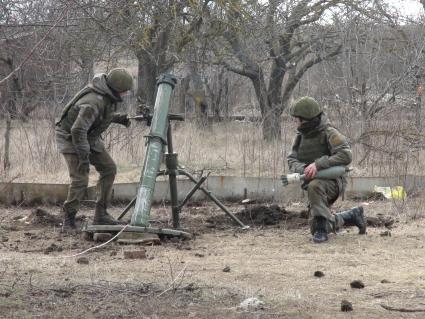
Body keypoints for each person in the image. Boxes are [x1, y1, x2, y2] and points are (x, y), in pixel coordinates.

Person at [55, 68, 133, 232]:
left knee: (109, 169)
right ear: (115, 89)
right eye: (124, 91)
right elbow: (77, 130)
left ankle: (101, 214)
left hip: (87, 136)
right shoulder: (93, 102)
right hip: (70, 138)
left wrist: (119, 119)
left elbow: (101, 114)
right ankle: (68, 221)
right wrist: (84, 158)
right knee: (80, 178)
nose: (125, 95)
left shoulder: (106, 95)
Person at [287, 96, 366, 243]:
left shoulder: (329, 132)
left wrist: (318, 164)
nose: (294, 122)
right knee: (315, 226)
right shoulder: (300, 137)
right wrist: (303, 169)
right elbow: (291, 159)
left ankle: (322, 231)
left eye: (296, 119)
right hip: (313, 182)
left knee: (315, 186)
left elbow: (346, 155)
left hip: (333, 181)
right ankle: (352, 216)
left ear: (306, 119)